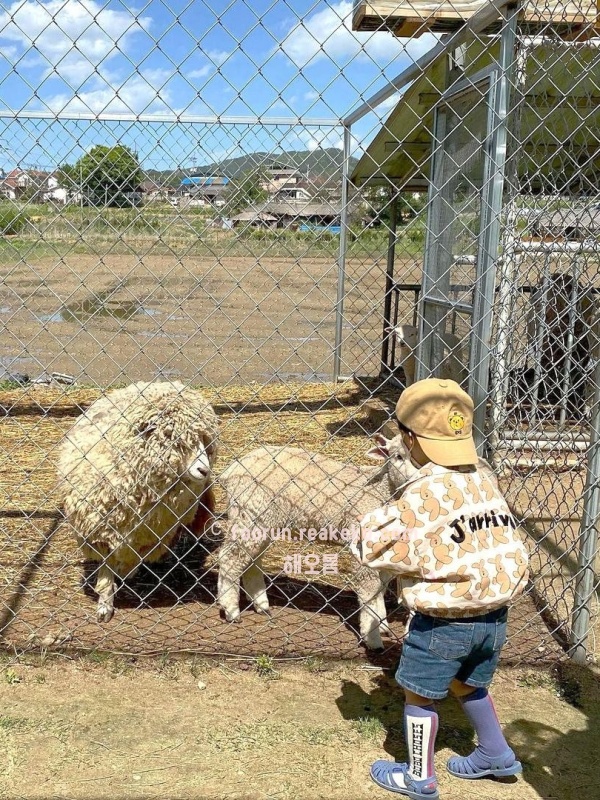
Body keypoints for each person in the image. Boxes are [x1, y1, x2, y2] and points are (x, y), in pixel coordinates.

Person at [350, 378, 529, 799]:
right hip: (494, 618)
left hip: (443, 622)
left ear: (410, 439)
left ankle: (418, 776)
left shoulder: (424, 492)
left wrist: (366, 528)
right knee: (468, 683)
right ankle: (495, 752)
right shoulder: (483, 479)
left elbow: (373, 546)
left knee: (418, 694)